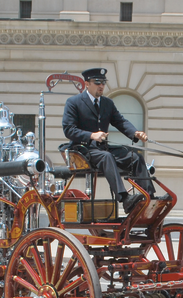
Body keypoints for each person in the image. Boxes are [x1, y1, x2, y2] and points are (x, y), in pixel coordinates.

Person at [62, 67, 157, 213]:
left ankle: (149, 197)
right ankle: (125, 199)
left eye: (103, 83)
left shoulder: (107, 103)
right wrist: (91, 135)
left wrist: (135, 133)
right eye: (97, 82)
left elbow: (120, 121)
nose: (101, 86)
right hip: (83, 150)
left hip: (102, 149)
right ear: (87, 84)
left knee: (135, 157)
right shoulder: (74, 102)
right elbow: (68, 129)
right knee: (106, 157)